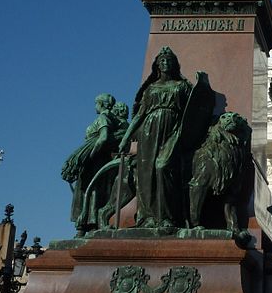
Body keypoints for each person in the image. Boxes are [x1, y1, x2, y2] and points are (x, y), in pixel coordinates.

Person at [119, 47, 193, 229]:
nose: (165, 63)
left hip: (173, 129)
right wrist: (125, 138)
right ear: (157, 66)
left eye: (169, 60)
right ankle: (147, 217)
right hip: (149, 130)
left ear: (175, 64)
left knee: (164, 168)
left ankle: (167, 216)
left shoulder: (181, 86)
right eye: (162, 61)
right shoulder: (151, 88)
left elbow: (191, 112)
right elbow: (139, 115)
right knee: (146, 174)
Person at [61, 93, 121, 237]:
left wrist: (90, 155)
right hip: (99, 160)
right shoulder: (113, 119)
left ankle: (86, 225)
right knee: (93, 190)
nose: (95, 106)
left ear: (102, 104)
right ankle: (90, 224)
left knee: (89, 190)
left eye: (96, 103)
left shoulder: (103, 118)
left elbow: (103, 138)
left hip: (94, 161)